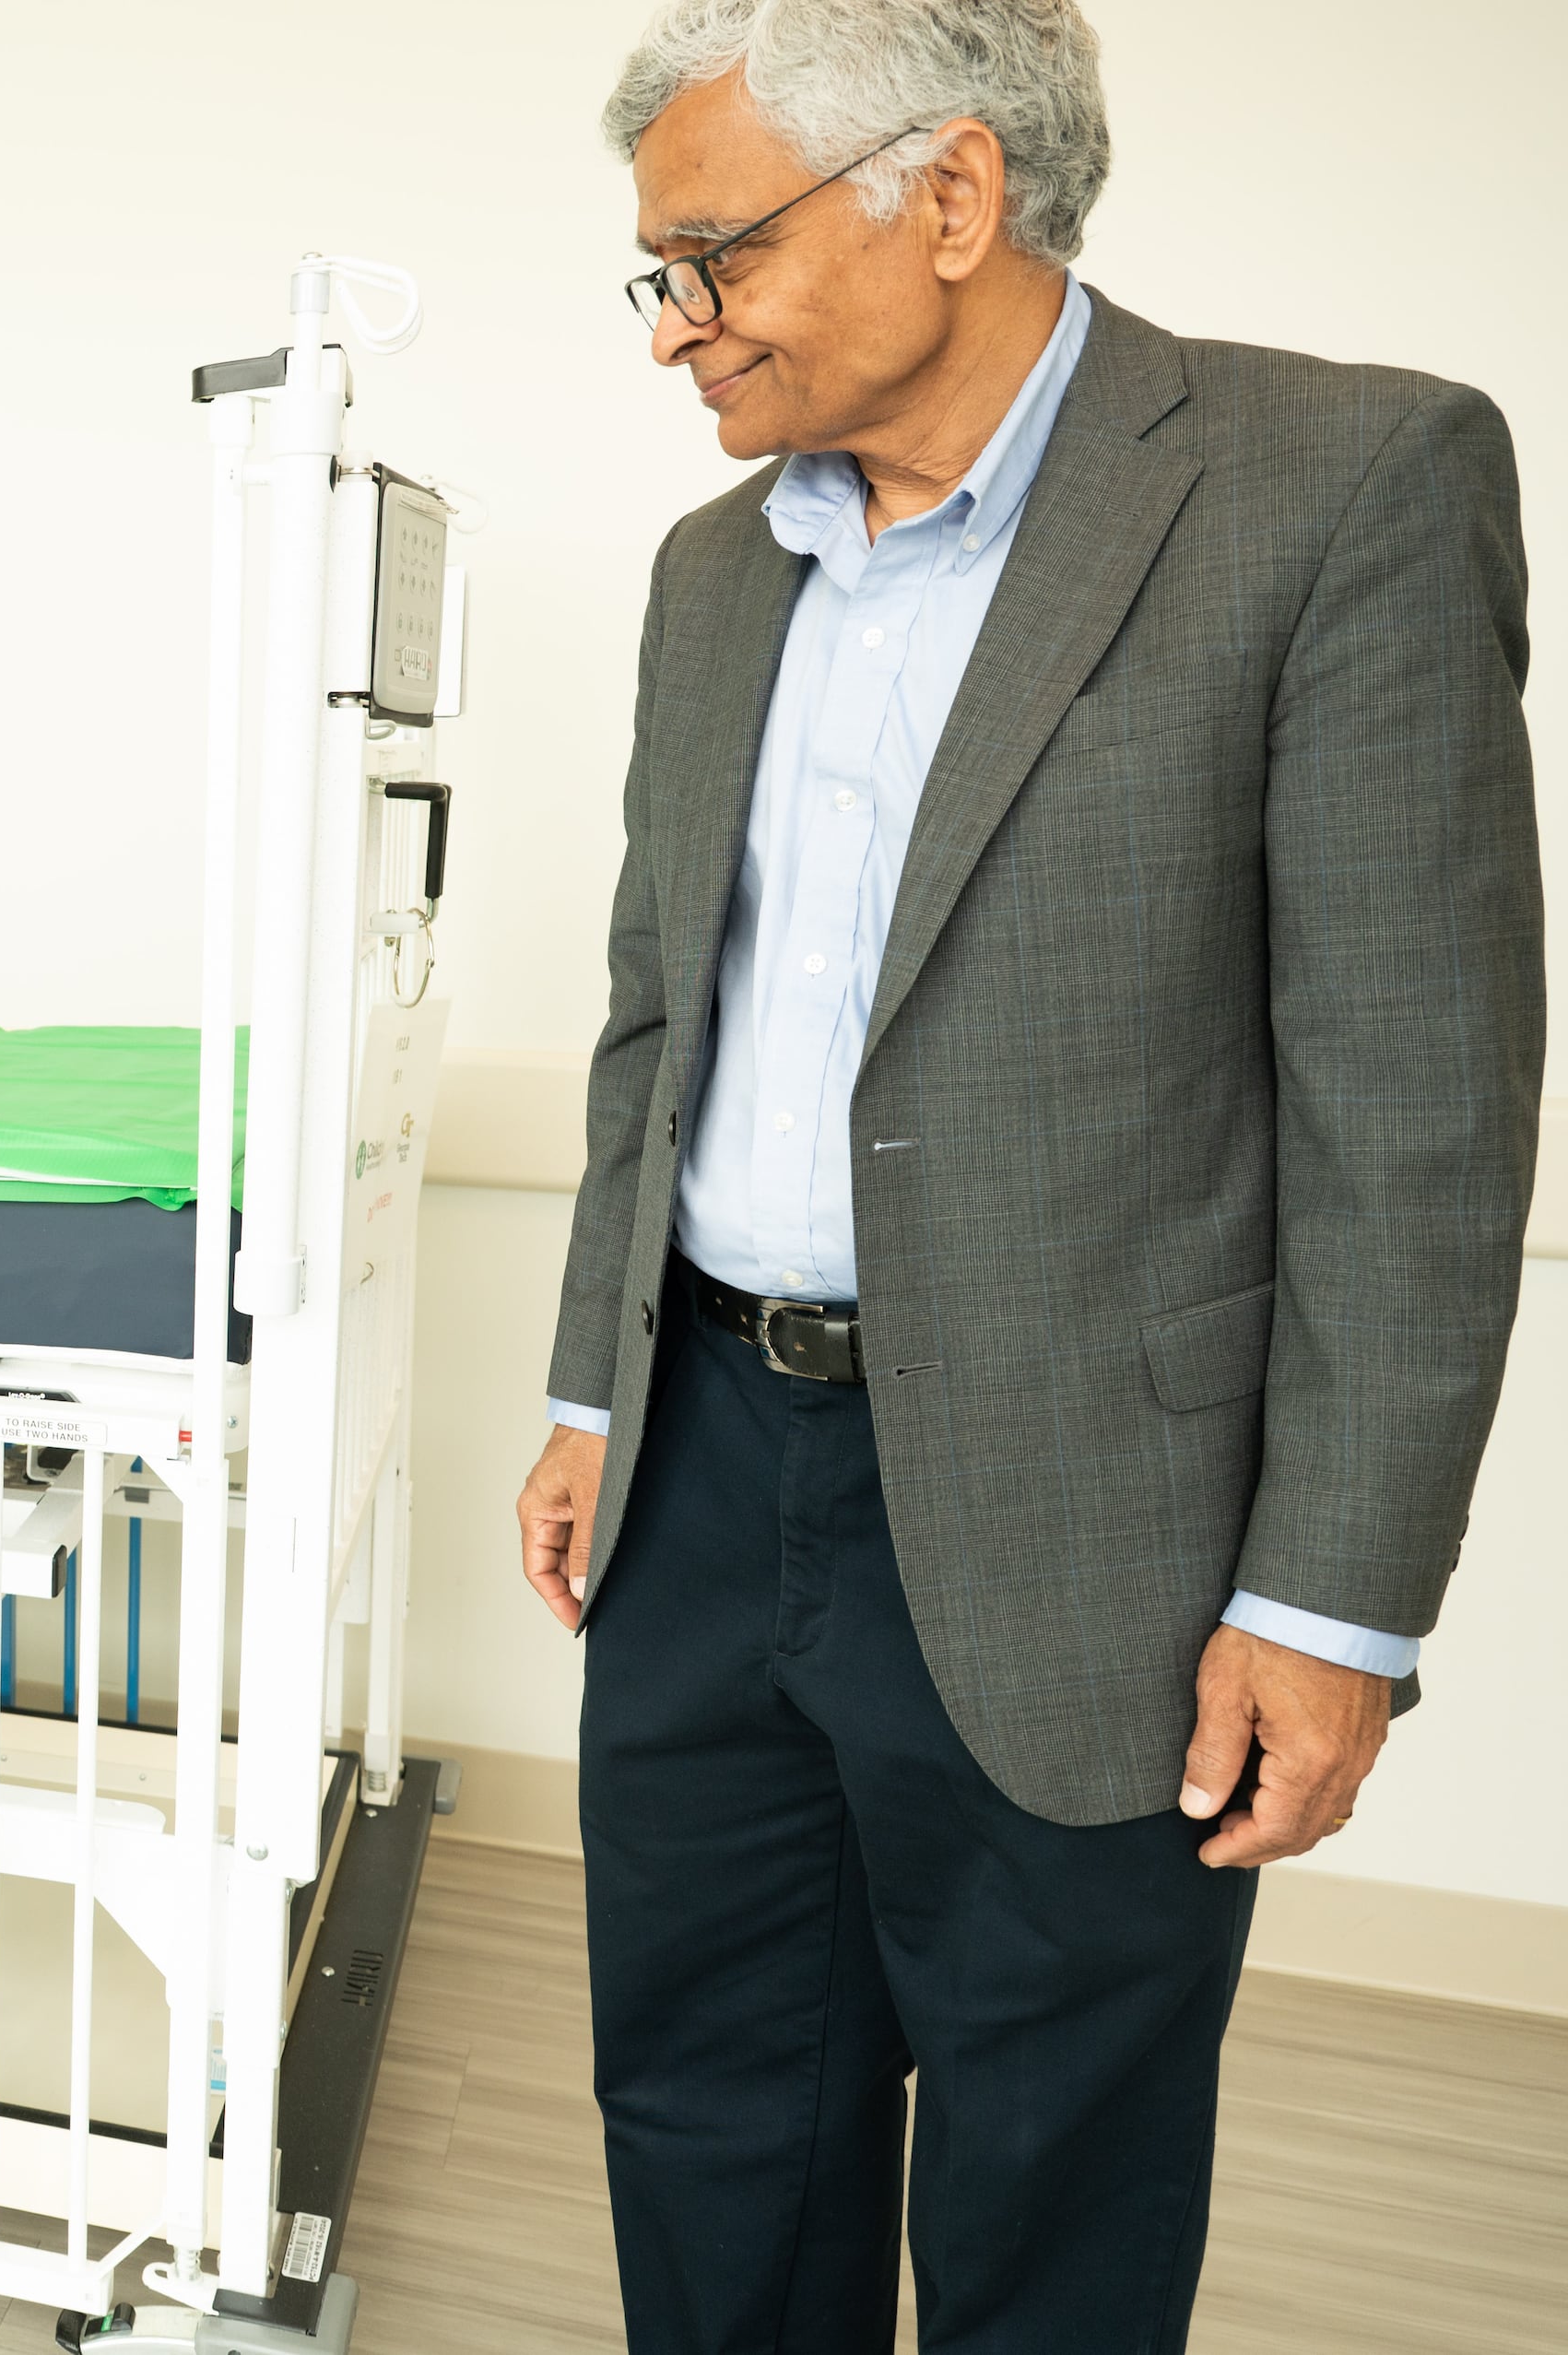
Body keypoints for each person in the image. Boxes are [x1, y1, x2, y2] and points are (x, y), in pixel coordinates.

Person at [514, 2, 1541, 2347]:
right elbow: (660, 1018)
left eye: (710, 256)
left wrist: (1342, 1603)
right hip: (703, 1482)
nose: (675, 325)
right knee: (705, 2116)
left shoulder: (1340, 484)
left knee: (1049, 2181)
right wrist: (596, 1389)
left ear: (950, 199)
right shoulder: (712, 573)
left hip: (1101, 1524)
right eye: (655, 272)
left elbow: (1421, 1108)